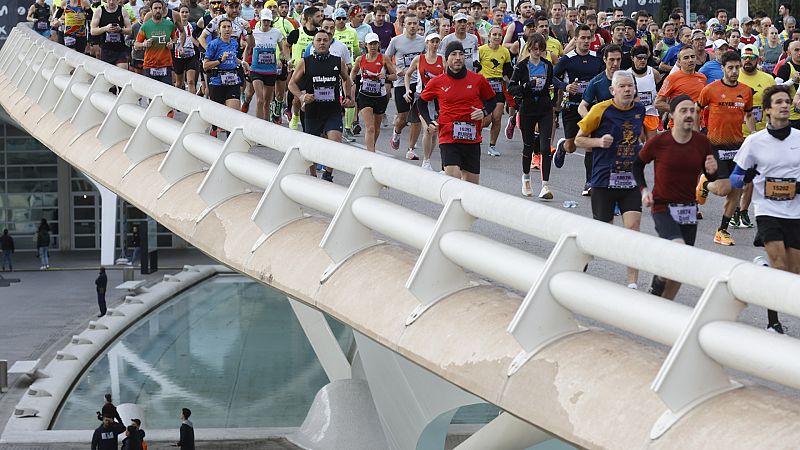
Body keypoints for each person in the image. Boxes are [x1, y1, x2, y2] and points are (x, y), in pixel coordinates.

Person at [731, 85, 800, 333]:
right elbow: (735, 179)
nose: (784, 105)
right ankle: (773, 322)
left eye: (787, 101)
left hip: (796, 212)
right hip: (767, 209)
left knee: (792, 273)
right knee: (780, 265)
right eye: (778, 102)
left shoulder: (799, 138)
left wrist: (796, 187)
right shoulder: (754, 142)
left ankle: (762, 268)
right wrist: (746, 176)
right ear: (768, 110)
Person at [635, 95, 717, 299]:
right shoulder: (659, 142)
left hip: (689, 208)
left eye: (692, 110)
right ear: (671, 115)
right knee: (678, 249)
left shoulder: (702, 143)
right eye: (683, 111)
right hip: (663, 206)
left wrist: (713, 171)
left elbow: (712, 173)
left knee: (682, 267)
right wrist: (644, 190)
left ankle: (664, 307)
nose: (689, 115)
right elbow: (637, 165)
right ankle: (659, 281)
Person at [575, 71, 645, 289]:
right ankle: (578, 269)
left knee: (633, 231)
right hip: (604, 180)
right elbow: (578, 140)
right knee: (602, 236)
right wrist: (598, 142)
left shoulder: (639, 109)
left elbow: (641, 135)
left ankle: (632, 284)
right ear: (613, 90)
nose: (627, 90)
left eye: (630, 86)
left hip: (630, 181)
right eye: (622, 86)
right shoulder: (600, 109)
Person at [696, 51, 755, 246]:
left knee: (736, 189)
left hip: (737, 147)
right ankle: (704, 184)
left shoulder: (746, 91)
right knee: (722, 190)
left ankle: (722, 231)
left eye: (737, 68)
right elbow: (697, 110)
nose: (734, 72)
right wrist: (697, 135)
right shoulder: (710, 90)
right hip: (715, 145)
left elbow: (748, 115)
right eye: (730, 68)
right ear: (722, 68)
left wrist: (753, 139)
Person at [418, 41, 496, 184]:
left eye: (461, 54)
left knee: (471, 187)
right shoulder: (437, 82)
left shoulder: (477, 79)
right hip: (449, 138)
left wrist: (484, 112)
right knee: (454, 180)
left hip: (472, 139)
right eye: (453, 54)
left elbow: (492, 100)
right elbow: (421, 103)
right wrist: (429, 122)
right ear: (447, 59)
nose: (458, 58)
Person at [288, 29, 355, 181]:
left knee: (335, 141)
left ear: (330, 43)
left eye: (325, 40)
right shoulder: (305, 62)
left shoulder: (337, 61)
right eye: (319, 40)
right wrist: (302, 96)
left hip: (332, 109)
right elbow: (292, 84)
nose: (322, 43)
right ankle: (312, 176)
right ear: (313, 43)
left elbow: (346, 80)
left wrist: (348, 96)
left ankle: (327, 174)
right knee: (311, 146)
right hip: (313, 110)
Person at [552, 25, 603, 197]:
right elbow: (552, 76)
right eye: (583, 38)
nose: (586, 41)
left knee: (589, 143)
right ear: (576, 39)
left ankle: (589, 181)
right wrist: (566, 86)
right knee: (572, 146)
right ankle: (562, 147)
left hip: (590, 107)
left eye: (589, 38)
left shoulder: (598, 58)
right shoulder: (567, 59)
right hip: (571, 107)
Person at [734, 44, 776, 229]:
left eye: (751, 58)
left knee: (751, 177)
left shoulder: (768, 79)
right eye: (745, 58)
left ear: (758, 59)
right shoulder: (734, 78)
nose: (748, 61)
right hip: (736, 135)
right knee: (737, 177)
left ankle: (743, 210)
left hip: (759, 134)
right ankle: (734, 209)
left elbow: (773, 104)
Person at [509, 32, 554, 199]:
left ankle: (545, 185)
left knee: (544, 148)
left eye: (540, 49)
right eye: (534, 49)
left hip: (544, 109)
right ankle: (526, 178)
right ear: (529, 49)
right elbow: (512, 88)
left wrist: (553, 100)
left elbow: (550, 84)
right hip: (527, 108)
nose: (537, 52)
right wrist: (527, 85)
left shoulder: (547, 65)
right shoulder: (521, 66)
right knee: (528, 145)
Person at [386, 14, 425, 159]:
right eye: (410, 23)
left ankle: (411, 148)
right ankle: (396, 133)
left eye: (415, 23)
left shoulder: (423, 41)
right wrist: (396, 69)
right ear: (404, 25)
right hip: (402, 82)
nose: (413, 26)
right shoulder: (396, 41)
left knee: (417, 115)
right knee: (403, 117)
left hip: (418, 82)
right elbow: (387, 58)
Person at [351, 33, 397, 152]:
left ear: (378, 45)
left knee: (376, 128)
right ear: (366, 45)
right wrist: (352, 83)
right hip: (364, 95)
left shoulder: (384, 58)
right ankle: (370, 154)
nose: (373, 46)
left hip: (380, 96)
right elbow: (353, 72)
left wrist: (385, 76)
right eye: (370, 44)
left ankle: (372, 148)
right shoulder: (360, 59)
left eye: (375, 43)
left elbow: (395, 76)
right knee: (369, 127)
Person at [405, 32, 444, 170]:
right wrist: (407, 90)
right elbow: (408, 74)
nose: (434, 44)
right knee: (428, 129)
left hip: (438, 100)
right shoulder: (419, 59)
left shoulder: (442, 60)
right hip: (422, 98)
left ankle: (428, 157)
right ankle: (426, 161)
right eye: (432, 41)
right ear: (427, 43)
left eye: (437, 42)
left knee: (434, 132)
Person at [203, 18, 252, 111]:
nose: (227, 29)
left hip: (232, 81)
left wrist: (242, 62)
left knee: (233, 113)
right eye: (224, 27)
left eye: (229, 27)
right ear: (219, 30)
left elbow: (233, 57)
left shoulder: (234, 42)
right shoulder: (213, 44)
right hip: (217, 82)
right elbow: (205, 66)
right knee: (218, 117)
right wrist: (220, 61)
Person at [248, 8, 289, 120]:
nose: (266, 23)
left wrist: (282, 59)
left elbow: (282, 49)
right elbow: (248, 48)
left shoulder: (276, 32)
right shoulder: (254, 32)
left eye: (268, 21)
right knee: (260, 100)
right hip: (256, 69)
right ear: (260, 20)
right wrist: (245, 62)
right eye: (264, 20)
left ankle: (266, 126)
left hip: (270, 70)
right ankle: (258, 125)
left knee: (267, 102)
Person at [477, 26, 511, 157]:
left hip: (498, 86)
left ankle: (492, 146)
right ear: (489, 36)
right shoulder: (481, 50)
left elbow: (508, 71)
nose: (497, 37)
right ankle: (475, 135)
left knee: (497, 118)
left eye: (499, 35)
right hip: (484, 86)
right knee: (486, 120)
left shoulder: (505, 52)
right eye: (494, 35)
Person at [134, 0, 179, 84]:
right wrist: (144, 44)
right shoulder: (146, 26)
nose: (158, 10)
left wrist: (172, 43)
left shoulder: (169, 24)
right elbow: (136, 44)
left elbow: (175, 38)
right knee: (150, 92)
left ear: (163, 9)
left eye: (160, 8)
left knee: (166, 92)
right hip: (149, 64)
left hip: (166, 64)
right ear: (151, 10)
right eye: (155, 8)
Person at [627, 45, 661, 141]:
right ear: (632, 58)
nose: (642, 60)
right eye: (639, 58)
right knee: (640, 139)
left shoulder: (654, 73)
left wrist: (658, 99)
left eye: (645, 58)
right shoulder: (627, 74)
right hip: (635, 112)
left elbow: (662, 91)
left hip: (651, 111)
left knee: (651, 143)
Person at [91, 0, 133, 69]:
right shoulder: (99, 11)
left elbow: (129, 31)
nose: (111, 2)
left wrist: (120, 30)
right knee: (107, 73)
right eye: (109, 0)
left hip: (120, 49)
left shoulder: (122, 10)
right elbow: (93, 31)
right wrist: (105, 28)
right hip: (106, 49)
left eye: (113, 0)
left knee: (123, 70)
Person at [173, 5, 200, 94]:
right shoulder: (174, 26)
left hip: (191, 56)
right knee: (179, 83)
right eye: (182, 12)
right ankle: (177, 103)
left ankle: (192, 104)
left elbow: (197, 38)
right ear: (179, 14)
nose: (184, 14)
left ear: (189, 13)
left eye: (186, 12)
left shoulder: (193, 25)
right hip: (178, 56)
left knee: (191, 81)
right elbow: (171, 39)